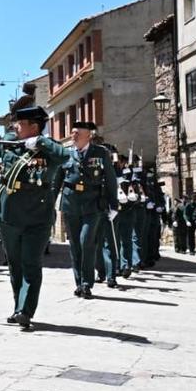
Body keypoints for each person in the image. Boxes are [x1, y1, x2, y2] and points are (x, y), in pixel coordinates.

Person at [0, 106, 69, 331]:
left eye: (20, 123)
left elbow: (66, 157)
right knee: (15, 265)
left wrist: (40, 142)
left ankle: (25, 311)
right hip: (9, 216)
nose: (15, 127)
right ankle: (18, 306)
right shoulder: (10, 144)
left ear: (34, 127)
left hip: (37, 218)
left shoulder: (49, 149)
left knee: (31, 262)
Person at [54, 121, 118, 299]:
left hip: (92, 204)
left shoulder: (100, 153)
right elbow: (56, 181)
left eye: (77, 133)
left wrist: (114, 204)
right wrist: (48, 203)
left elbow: (111, 179)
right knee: (74, 245)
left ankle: (86, 283)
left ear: (88, 135)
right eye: (72, 132)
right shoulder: (66, 154)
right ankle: (78, 283)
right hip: (70, 203)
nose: (73, 135)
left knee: (86, 242)